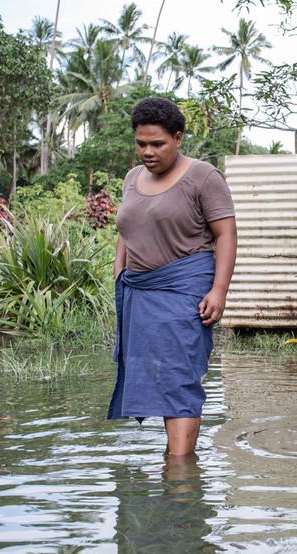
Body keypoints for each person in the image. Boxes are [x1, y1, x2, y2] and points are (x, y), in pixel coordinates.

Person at [107, 97, 238, 457]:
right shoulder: (133, 178)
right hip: (140, 292)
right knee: (154, 376)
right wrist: (120, 269)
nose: (147, 152)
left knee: (178, 378)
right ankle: (176, 463)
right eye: (141, 144)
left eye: (157, 144)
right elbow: (126, 227)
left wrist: (219, 290)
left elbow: (226, 234)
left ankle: (179, 473)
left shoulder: (203, 177)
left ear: (178, 138)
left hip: (184, 289)